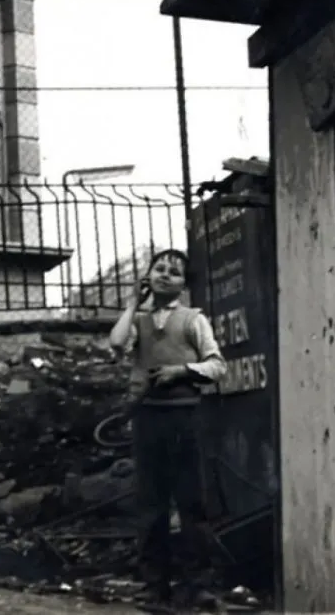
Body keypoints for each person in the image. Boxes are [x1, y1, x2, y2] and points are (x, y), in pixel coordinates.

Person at [110, 249, 226, 612]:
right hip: (148, 418)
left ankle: (198, 586)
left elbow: (217, 365)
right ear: (148, 276)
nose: (164, 275)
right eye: (158, 269)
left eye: (173, 272)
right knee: (150, 504)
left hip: (184, 418)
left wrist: (182, 371)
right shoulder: (139, 322)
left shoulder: (193, 319)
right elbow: (116, 343)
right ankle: (154, 585)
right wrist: (133, 302)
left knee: (191, 503)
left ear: (183, 285)